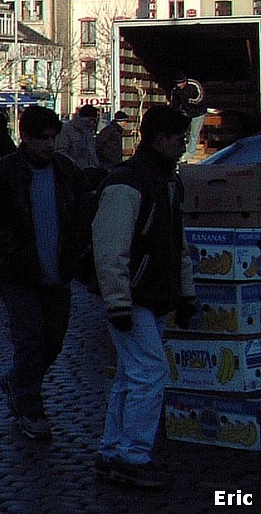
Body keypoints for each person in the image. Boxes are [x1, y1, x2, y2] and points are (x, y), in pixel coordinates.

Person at [91, 105, 197, 491]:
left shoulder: (161, 181)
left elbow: (175, 244)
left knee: (130, 374)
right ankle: (133, 456)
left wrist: (184, 293)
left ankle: (113, 449)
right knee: (149, 373)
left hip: (144, 294)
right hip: (136, 295)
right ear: (160, 139)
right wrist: (117, 300)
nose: (184, 146)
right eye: (179, 138)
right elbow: (110, 246)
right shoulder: (131, 183)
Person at [0, 104, 90, 441]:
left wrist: (78, 247)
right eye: (42, 139)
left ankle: (18, 381)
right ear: (26, 138)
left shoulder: (66, 172)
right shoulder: (3, 172)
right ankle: (28, 403)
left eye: (53, 138)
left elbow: (84, 212)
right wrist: (11, 250)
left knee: (53, 342)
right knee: (31, 341)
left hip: (58, 272)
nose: (49, 145)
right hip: (20, 274)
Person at [55, 104, 100, 178]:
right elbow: (60, 151)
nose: (91, 123)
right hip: (73, 173)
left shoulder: (89, 131)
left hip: (89, 172)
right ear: (81, 118)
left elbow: (92, 152)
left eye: (93, 120)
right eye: (90, 119)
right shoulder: (66, 129)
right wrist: (73, 166)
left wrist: (96, 166)